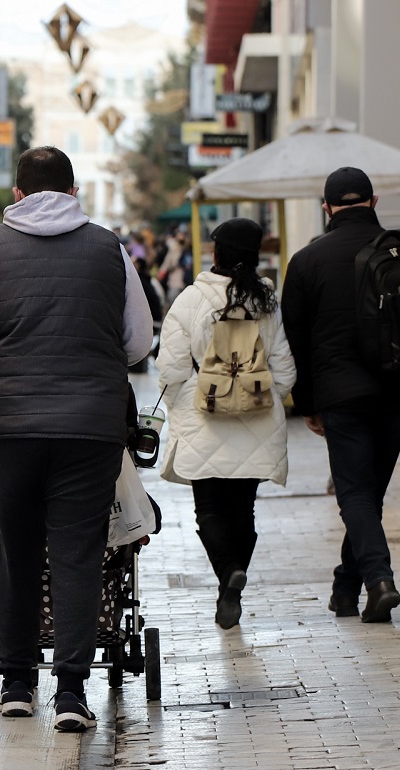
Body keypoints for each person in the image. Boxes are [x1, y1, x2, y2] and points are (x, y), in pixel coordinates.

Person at [0, 146, 152, 732]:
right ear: (73, 191)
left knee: (15, 549)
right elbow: (138, 342)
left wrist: (3, 384)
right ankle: (70, 693)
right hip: (89, 430)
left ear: (16, 194)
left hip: (8, 430)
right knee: (79, 553)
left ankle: (15, 683)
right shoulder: (109, 247)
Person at [281, 167, 400, 624]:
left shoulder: (308, 261)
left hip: (340, 394)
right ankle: (346, 587)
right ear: (373, 203)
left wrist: (307, 404)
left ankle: (379, 580)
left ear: (326, 208)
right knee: (368, 492)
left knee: (354, 492)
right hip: (399, 391)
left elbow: (297, 340)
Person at [156, 218, 296, 629]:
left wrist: (196, 393)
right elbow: (284, 370)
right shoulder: (267, 302)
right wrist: (258, 394)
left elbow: (171, 369)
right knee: (244, 512)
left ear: (214, 255)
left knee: (209, 513)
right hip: (256, 419)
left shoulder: (190, 300)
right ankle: (230, 584)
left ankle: (229, 572)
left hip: (205, 419)